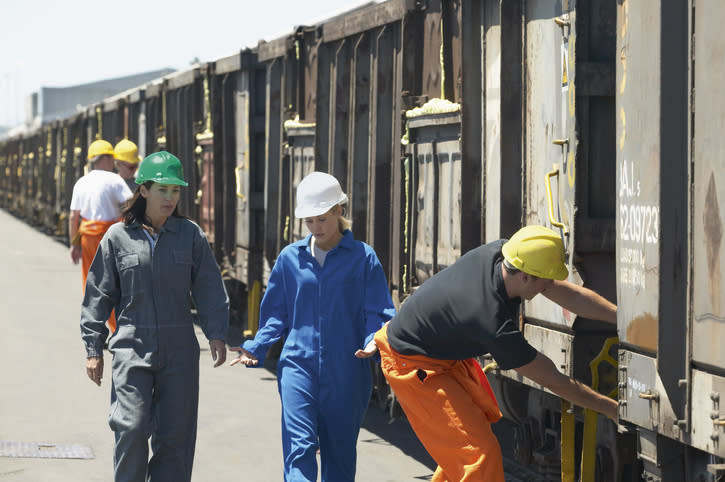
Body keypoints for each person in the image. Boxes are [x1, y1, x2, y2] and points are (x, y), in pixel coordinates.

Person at [374, 225, 618, 482]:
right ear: (525, 276)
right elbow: (552, 379)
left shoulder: (503, 252)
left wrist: (622, 319)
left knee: (467, 440)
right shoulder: (491, 320)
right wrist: (609, 408)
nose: (549, 286)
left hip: (435, 353)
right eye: (545, 281)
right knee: (478, 455)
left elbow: (571, 296)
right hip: (412, 365)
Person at [230, 171, 396, 482]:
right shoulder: (290, 259)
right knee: (300, 449)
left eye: (322, 219)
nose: (315, 227)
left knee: (340, 460)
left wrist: (375, 340)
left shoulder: (363, 258)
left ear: (339, 212)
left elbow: (379, 310)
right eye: (309, 221)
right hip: (297, 366)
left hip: (346, 372)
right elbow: (275, 315)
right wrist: (256, 347)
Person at [80, 151, 229, 482]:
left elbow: (208, 286)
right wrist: (93, 346)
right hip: (132, 346)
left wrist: (216, 332)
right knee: (131, 429)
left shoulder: (190, 235)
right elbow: (99, 293)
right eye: (163, 189)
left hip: (179, 350)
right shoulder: (118, 237)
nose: (170, 198)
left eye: (175, 191)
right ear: (143, 190)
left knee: (175, 440)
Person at [69, 139, 133, 333]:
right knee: (115, 283)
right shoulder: (115, 180)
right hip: (112, 237)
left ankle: (94, 330)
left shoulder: (82, 181)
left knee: (92, 283)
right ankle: (116, 330)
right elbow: (131, 206)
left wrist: (74, 244)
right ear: (106, 158)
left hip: (88, 237)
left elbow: (74, 216)